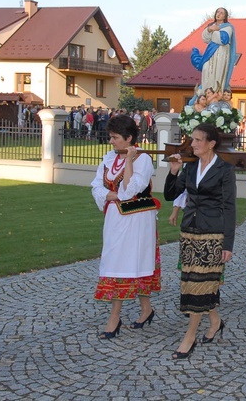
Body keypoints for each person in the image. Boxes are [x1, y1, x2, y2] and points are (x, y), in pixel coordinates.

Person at [164, 123, 236, 359]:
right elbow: (170, 195)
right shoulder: (191, 167)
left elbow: (229, 207)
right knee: (192, 281)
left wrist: (228, 244)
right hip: (190, 231)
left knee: (199, 285)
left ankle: (190, 335)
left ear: (211, 143)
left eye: (197, 140)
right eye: (192, 139)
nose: (192, 144)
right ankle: (215, 321)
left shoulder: (224, 170)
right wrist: (174, 171)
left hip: (213, 234)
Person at [91, 115, 161, 340]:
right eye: (110, 137)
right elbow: (96, 186)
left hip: (137, 220)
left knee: (129, 262)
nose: (111, 141)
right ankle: (147, 309)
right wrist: (111, 195)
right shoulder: (109, 157)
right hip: (115, 217)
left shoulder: (143, 160)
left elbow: (130, 190)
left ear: (129, 138)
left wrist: (129, 161)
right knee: (118, 260)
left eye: (115, 137)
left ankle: (114, 318)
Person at [191, 7, 237, 94]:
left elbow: (223, 39)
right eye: (217, 12)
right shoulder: (211, 26)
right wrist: (209, 29)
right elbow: (205, 38)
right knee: (206, 68)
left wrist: (215, 31)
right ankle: (205, 92)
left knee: (218, 71)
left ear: (225, 16)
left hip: (221, 52)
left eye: (221, 13)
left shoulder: (228, 27)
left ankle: (216, 92)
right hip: (210, 52)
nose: (218, 14)